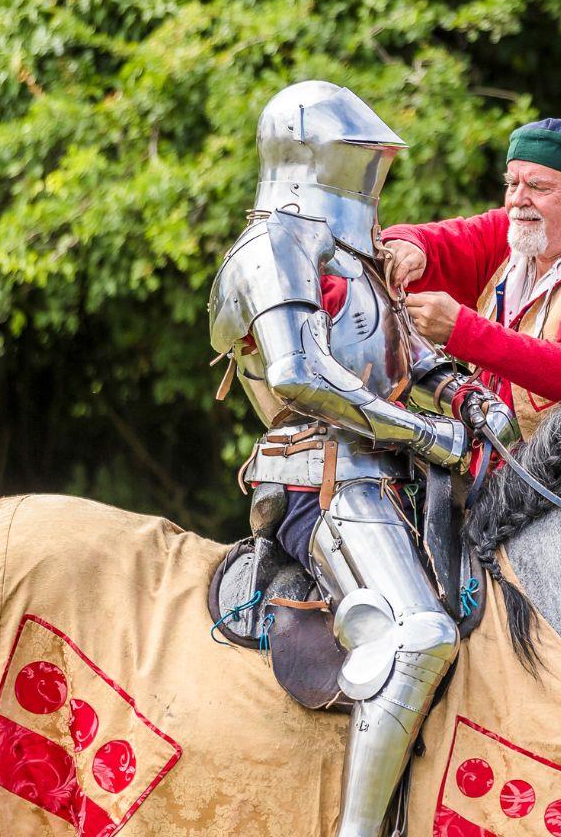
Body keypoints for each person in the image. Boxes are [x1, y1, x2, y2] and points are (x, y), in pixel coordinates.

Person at [206, 81, 518, 837]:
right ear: (311, 159)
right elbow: (299, 378)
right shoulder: (273, 245)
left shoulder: (358, 254)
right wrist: (421, 434)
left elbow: (412, 355)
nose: (372, 176)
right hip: (321, 475)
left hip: (395, 477)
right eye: (360, 158)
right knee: (420, 637)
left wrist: (471, 400)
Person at [381, 118, 561, 438]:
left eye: (538, 187)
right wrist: (409, 247)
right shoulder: (511, 229)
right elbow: (427, 241)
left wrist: (461, 330)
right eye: (512, 184)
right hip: (491, 465)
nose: (517, 200)